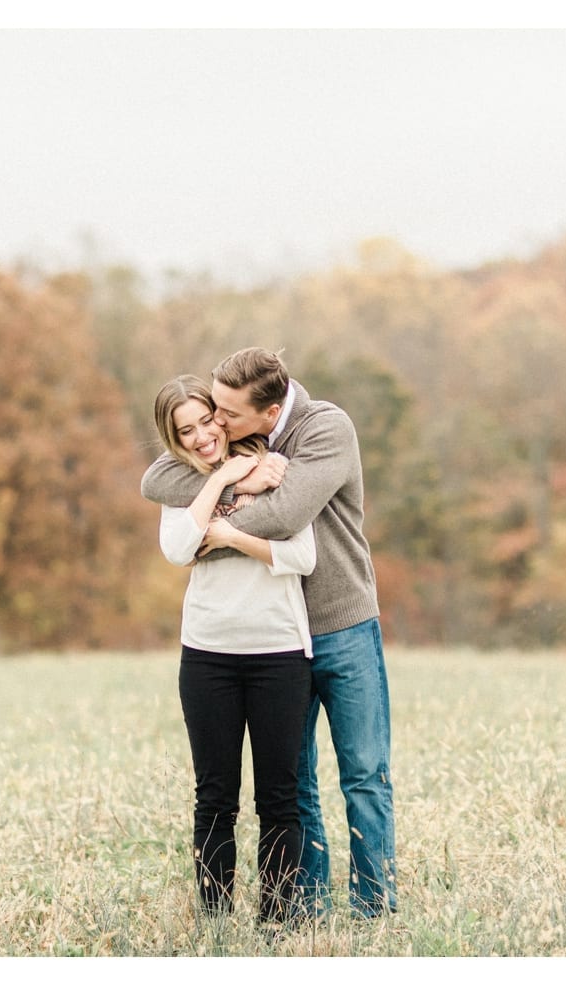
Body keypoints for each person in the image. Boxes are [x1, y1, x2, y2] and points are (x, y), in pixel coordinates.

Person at [142, 348, 396, 919]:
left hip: (342, 619)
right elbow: (156, 478)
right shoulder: (237, 450)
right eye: (209, 414)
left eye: (225, 413)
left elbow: (286, 520)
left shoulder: (322, 430)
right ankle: (300, 908)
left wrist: (212, 530)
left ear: (268, 412)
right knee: (295, 783)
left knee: (363, 773)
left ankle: (374, 908)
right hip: (285, 634)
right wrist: (233, 475)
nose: (216, 424)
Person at [151, 374, 317, 929]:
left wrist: (223, 536)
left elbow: (302, 556)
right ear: (174, 440)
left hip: (280, 652)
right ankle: (217, 923)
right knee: (215, 799)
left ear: (222, 417)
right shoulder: (182, 487)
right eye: (186, 431)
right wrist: (222, 479)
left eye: (207, 421)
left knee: (280, 798)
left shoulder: (276, 470)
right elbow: (177, 548)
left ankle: (278, 923)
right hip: (207, 655)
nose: (202, 436)